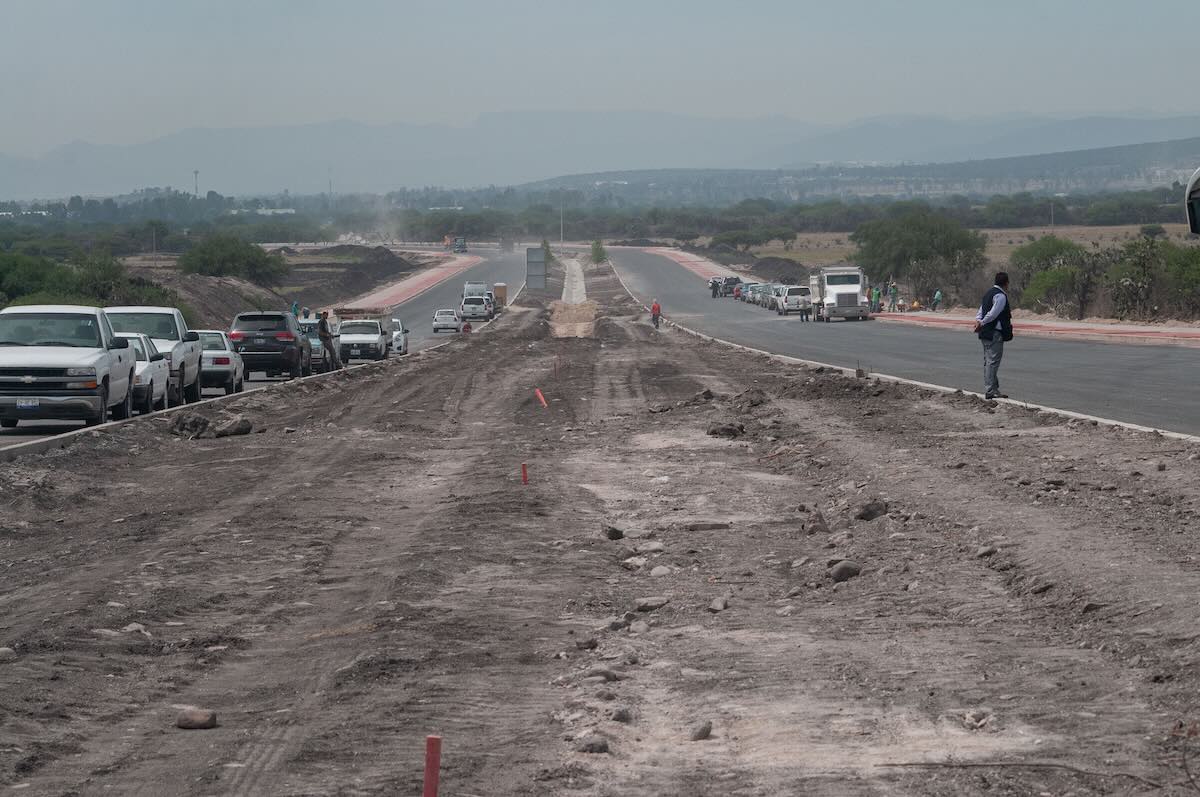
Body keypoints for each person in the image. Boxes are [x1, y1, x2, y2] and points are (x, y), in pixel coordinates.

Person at [973, 272, 1012, 400]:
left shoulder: (988, 294)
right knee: (992, 362)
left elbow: (981, 311)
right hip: (994, 332)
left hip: (985, 332)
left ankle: (993, 388)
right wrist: (982, 322)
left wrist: (979, 321)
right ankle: (990, 390)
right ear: (1006, 283)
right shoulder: (1000, 296)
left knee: (988, 362)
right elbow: (993, 313)